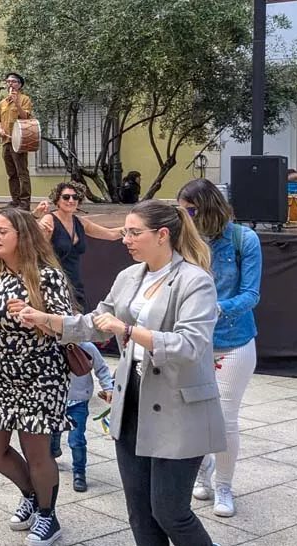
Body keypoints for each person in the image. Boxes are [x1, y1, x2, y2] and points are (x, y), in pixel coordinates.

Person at [19, 200, 225, 546]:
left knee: (170, 511)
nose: (125, 239)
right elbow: (96, 324)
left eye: (134, 232)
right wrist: (49, 321)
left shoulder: (195, 280)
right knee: (140, 513)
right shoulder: (129, 276)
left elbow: (190, 346)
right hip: (133, 400)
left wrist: (128, 331)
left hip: (180, 406)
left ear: (162, 235)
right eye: (125, 232)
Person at [0, 208, 75, 546]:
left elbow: (67, 327)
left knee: (37, 451)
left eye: (2, 231)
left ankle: (48, 516)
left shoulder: (47, 276)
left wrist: (37, 318)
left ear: (22, 236)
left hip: (40, 374)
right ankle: (31, 494)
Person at [180, 179, 261, 519]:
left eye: (190, 210)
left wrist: (216, 307)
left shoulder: (244, 239)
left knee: (225, 418)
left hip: (233, 340)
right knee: (195, 417)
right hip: (193, 342)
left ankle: (224, 485)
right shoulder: (185, 239)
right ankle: (203, 470)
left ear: (206, 208)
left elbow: (251, 294)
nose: (184, 216)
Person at [34, 182, 122, 310]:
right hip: (54, 283)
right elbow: (37, 249)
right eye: (66, 197)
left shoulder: (80, 222)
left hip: (75, 283)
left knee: (78, 323)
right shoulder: (49, 220)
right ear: (57, 200)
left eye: (75, 197)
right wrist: (37, 223)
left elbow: (111, 234)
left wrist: (134, 228)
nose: (71, 200)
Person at [50, 341, 113, 493]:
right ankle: (54, 450)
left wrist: (108, 387)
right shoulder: (51, 346)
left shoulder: (87, 348)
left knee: (77, 440)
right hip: (54, 399)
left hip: (78, 400)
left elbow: (102, 368)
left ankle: (79, 472)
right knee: (53, 432)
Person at [0, 72, 33, 209]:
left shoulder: (25, 99)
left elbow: (25, 117)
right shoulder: (2, 103)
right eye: (8, 81)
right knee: (11, 173)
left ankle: (25, 202)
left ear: (19, 84)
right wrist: (0, 130)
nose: (9, 84)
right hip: (6, 141)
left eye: (13, 81)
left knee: (21, 172)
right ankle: (15, 200)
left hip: (19, 141)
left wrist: (16, 103)